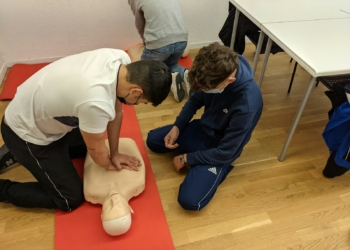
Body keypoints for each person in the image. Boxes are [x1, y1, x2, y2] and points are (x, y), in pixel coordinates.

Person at [0, 48, 171, 211]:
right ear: (136, 91)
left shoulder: (121, 61)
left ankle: (17, 153)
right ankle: (8, 177)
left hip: (32, 114)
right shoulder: (95, 102)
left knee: (91, 141)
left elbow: (117, 112)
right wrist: (109, 164)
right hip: (26, 134)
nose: (139, 105)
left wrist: (115, 152)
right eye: (143, 102)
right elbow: (96, 151)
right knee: (69, 199)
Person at [146, 42, 263, 211]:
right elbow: (194, 100)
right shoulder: (211, 71)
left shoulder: (248, 103)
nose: (204, 91)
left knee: (189, 201)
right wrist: (177, 127)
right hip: (201, 130)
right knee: (153, 141)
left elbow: (226, 152)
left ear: (229, 81)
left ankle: (214, 169)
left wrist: (186, 158)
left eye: (208, 89)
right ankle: (196, 158)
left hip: (219, 149)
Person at [127, 0, 191, 103]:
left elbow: (140, 24)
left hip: (159, 43)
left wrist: (145, 41)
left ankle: (170, 78)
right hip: (182, 40)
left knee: (144, 73)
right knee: (169, 63)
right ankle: (184, 73)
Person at [84, 138, 145, 236]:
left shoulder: (90, 191)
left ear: (102, 215)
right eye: (119, 206)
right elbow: (131, 146)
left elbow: (88, 164)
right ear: (130, 209)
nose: (114, 200)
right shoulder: (137, 182)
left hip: (93, 144)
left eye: (109, 207)